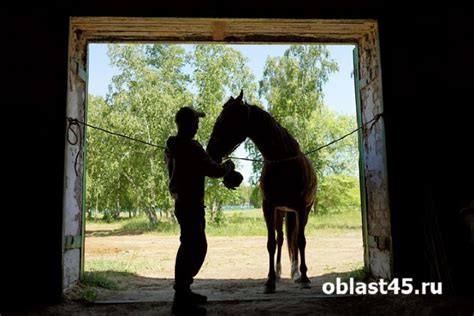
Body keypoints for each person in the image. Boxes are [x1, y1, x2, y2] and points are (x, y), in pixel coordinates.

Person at [165, 106, 236, 315]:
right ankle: (181, 296)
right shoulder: (192, 148)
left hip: (182, 203)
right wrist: (228, 167)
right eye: (195, 122)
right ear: (186, 124)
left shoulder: (173, 146)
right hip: (192, 204)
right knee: (195, 247)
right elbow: (213, 170)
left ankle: (184, 290)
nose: (197, 125)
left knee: (189, 245)